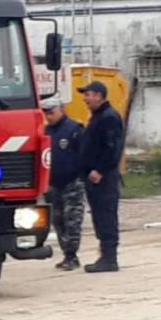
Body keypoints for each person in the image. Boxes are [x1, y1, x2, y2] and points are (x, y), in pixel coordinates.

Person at [77, 81, 124, 273]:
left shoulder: (109, 117)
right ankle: (104, 255)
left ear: (99, 95)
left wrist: (99, 170)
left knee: (106, 215)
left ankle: (110, 258)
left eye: (88, 94)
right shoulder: (98, 116)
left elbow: (112, 148)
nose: (85, 99)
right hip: (93, 176)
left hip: (103, 177)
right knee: (99, 215)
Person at [42, 99, 85, 271]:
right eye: (46, 113)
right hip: (52, 184)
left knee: (72, 220)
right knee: (58, 220)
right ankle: (66, 254)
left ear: (62, 110)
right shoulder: (45, 132)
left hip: (72, 183)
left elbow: (84, 154)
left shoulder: (74, 130)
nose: (49, 116)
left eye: (52, 112)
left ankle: (72, 255)